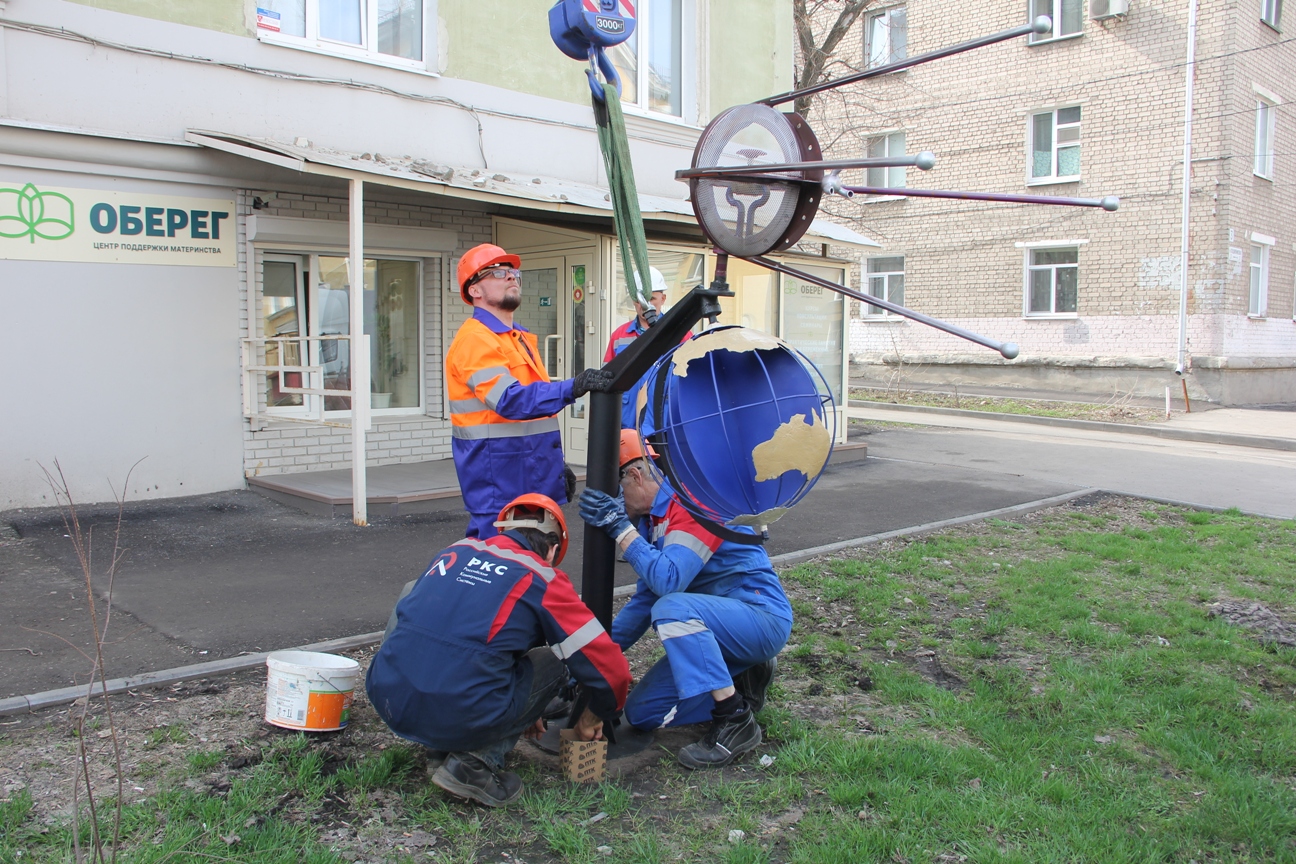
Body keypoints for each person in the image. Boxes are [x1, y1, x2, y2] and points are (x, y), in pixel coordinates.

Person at [366, 493, 631, 807]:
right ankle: (472, 764)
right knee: (553, 663)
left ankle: (439, 746)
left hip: (389, 699)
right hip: (459, 710)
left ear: (503, 530)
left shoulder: (454, 552)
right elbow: (612, 671)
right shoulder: (542, 577)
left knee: (416, 595)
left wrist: (522, 705)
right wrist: (591, 717)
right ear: (553, 550)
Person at [578, 431, 790, 769]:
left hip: (760, 617)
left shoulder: (695, 501)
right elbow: (644, 603)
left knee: (671, 606)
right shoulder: (652, 521)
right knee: (643, 713)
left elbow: (668, 580)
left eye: (617, 493)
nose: (618, 504)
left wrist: (620, 528)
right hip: (719, 629)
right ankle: (742, 681)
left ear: (635, 475)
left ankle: (734, 719)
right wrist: (590, 659)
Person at [447, 243, 614, 538]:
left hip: (521, 475)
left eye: (513, 273)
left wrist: (553, 465)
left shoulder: (517, 337)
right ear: (474, 290)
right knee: (502, 569)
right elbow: (511, 401)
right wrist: (573, 387)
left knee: (518, 567)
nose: (511, 277)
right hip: (499, 482)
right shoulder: (475, 340)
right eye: (498, 272)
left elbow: (533, 414)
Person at [603, 266, 679, 429]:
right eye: (640, 300)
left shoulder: (680, 334)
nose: (646, 305)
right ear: (634, 301)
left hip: (665, 426)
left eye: (651, 299)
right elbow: (605, 381)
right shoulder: (619, 335)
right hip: (628, 425)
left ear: (663, 298)